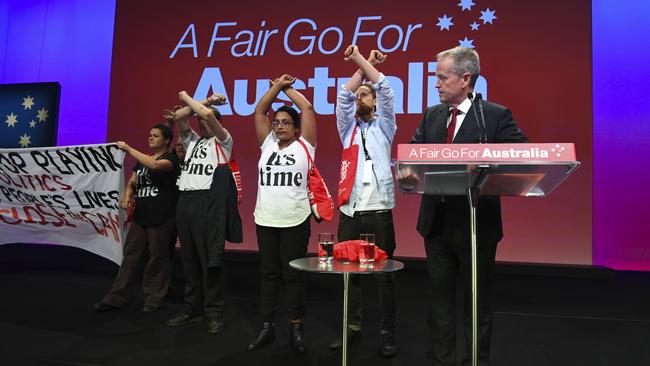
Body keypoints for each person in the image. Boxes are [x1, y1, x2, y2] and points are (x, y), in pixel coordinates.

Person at [407, 46, 528, 365]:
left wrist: (487, 163)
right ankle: (441, 359)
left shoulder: (494, 115)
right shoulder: (432, 115)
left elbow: (522, 156)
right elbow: (415, 154)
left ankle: (475, 360)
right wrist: (407, 171)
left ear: (465, 79)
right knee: (440, 300)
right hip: (436, 222)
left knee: (476, 301)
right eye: (436, 77)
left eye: (441, 77)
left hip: (477, 225)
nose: (436, 83)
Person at [330, 45, 398, 358]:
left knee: (384, 276)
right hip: (351, 211)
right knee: (349, 275)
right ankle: (350, 330)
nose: (361, 98)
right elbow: (343, 96)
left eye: (365, 95)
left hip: (380, 210)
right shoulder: (347, 130)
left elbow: (384, 88)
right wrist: (363, 65)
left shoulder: (386, 127)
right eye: (360, 95)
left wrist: (363, 61)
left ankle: (387, 333)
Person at [246, 74, 317, 353]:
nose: (279, 126)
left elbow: (308, 109)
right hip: (265, 218)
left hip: (295, 219)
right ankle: (267, 327)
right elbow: (259, 111)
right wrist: (274, 88)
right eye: (277, 122)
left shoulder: (305, 146)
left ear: (297, 128)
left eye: (286, 122)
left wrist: (287, 89)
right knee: (268, 274)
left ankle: (296, 328)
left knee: (293, 276)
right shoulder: (267, 145)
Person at [164, 91, 242, 334]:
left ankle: (214, 311)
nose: (202, 123)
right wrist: (203, 102)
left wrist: (187, 96)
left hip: (207, 203)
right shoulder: (193, 141)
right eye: (200, 122)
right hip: (186, 201)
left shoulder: (223, 141)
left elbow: (205, 113)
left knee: (210, 259)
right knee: (189, 259)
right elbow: (179, 116)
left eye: (206, 122)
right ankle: (192, 308)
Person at [94, 123, 180, 313]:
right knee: (130, 256)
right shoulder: (143, 160)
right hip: (141, 216)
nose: (150, 138)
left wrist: (128, 148)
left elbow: (155, 165)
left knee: (158, 257)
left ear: (166, 140)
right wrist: (126, 195)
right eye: (150, 135)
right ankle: (116, 297)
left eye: (155, 136)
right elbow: (133, 180)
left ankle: (154, 299)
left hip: (162, 216)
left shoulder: (171, 160)